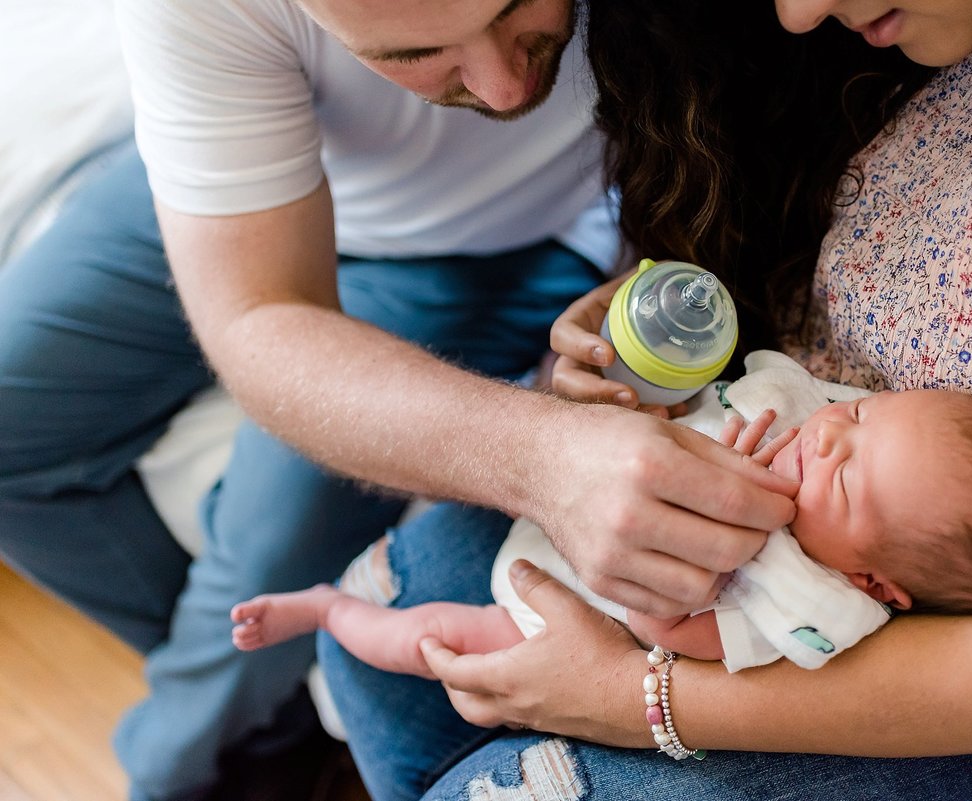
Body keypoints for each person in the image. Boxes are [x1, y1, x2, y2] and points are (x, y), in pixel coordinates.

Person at [315, 0, 972, 799]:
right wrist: (651, 318)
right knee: (378, 660)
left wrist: (640, 700)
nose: (799, 11)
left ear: (871, 584)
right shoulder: (929, 37)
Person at [0, 1, 804, 799]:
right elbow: (255, 311)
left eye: (518, 5)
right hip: (266, 192)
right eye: (411, 52)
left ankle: (172, 770)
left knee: (271, 540)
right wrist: (542, 455)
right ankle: (267, 724)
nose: (501, 89)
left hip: (495, 243)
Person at [231, 356, 972, 678]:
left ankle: (329, 611)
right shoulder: (786, 435)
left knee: (436, 644)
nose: (825, 435)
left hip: (548, 608)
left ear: (871, 580)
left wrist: (695, 582)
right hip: (566, 500)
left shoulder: (808, 608)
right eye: (857, 419)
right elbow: (696, 412)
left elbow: (667, 632)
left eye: (848, 480)